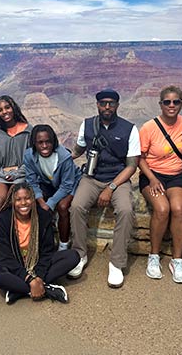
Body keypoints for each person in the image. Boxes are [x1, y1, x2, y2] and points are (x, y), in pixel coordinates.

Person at [68, 88, 140, 288]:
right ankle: (79, 255)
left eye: (111, 103)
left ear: (117, 105)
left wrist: (111, 187)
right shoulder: (88, 124)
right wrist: (62, 158)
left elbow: (132, 165)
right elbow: (78, 149)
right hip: (92, 178)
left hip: (119, 179)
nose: (107, 107)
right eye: (103, 103)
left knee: (125, 210)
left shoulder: (129, 129)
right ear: (97, 104)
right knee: (76, 207)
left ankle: (116, 263)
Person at [0, 182, 80, 304]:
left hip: (37, 263)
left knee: (72, 256)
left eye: (27, 198)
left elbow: (47, 253)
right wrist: (30, 280)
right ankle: (45, 289)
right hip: (14, 267)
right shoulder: (0, 221)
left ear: (33, 199)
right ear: (12, 202)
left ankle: (18, 290)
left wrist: (38, 277)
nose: (23, 203)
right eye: (18, 199)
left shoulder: (43, 217)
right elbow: (4, 258)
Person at [138, 86, 182, 283]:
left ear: (181, 104)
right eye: (167, 102)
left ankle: (177, 260)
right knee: (162, 209)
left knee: (178, 209)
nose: (171, 105)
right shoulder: (148, 128)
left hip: (177, 176)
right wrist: (152, 179)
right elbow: (140, 158)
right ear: (160, 104)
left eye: (176, 102)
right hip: (153, 175)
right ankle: (154, 256)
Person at [23, 124, 82, 251]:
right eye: (40, 142)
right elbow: (31, 181)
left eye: (48, 142)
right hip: (49, 183)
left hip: (71, 183)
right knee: (34, 204)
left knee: (62, 206)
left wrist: (49, 203)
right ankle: (41, 242)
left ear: (53, 141)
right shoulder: (29, 156)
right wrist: (40, 199)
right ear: (34, 143)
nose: (44, 146)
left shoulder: (64, 157)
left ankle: (63, 244)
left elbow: (67, 185)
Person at [0, 95, 32, 218]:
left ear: (13, 108)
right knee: (0, 199)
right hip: (0, 173)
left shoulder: (28, 130)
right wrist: (2, 173)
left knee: (16, 198)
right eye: (0, 110)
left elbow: (31, 158)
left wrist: (17, 173)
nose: (4, 112)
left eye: (7, 107)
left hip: (21, 172)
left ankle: (16, 231)